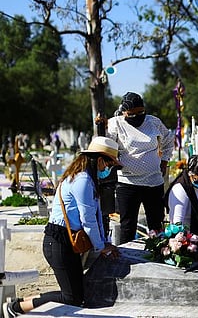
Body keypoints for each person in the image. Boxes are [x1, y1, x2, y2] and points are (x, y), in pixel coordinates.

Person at [2, 136, 121, 318]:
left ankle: (20, 304)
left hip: (65, 241)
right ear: (98, 160)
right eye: (108, 164)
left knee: (74, 293)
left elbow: (96, 216)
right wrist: (101, 247)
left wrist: (103, 242)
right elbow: (88, 219)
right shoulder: (82, 180)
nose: (108, 169)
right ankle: (17, 308)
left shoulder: (86, 179)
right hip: (59, 242)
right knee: (72, 297)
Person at [107, 92, 174, 244]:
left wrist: (164, 159)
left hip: (153, 181)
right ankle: (127, 258)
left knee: (156, 224)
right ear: (124, 111)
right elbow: (107, 143)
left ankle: (159, 253)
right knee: (127, 226)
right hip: (128, 183)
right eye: (132, 114)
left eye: (140, 112)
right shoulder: (116, 123)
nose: (137, 116)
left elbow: (168, 140)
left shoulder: (153, 122)